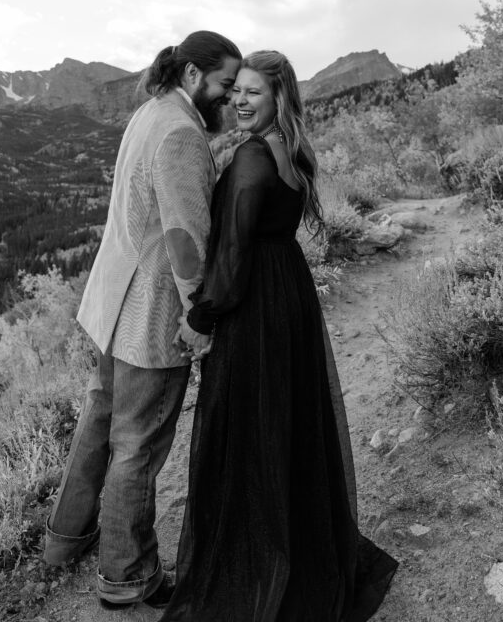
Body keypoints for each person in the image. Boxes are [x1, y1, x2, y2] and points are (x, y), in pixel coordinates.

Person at [160, 51, 398, 622]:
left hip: (256, 305)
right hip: (287, 291)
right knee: (285, 424)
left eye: (253, 94)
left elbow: (235, 252)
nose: (239, 101)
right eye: (235, 90)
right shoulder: (287, 151)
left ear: (278, 100)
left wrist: (199, 317)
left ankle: (253, 565)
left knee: (247, 428)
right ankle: (297, 546)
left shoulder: (249, 158)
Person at [43, 30, 241, 611]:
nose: (228, 98)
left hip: (111, 306)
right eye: (224, 85)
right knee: (137, 447)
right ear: (192, 77)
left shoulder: (149, 113)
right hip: (150, 317)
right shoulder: (182, 133)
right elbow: (184, 240)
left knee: (98, 425)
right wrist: (197, 316)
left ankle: (65, 540)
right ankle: (127, 576)